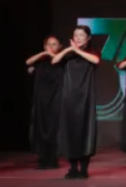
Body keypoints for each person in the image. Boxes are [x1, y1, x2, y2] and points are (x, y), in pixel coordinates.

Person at [53, 25, 101, 179]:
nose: (78, 37)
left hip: (85, 97)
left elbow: (95, 60)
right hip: (69, 97)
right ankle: (73, 168)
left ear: (88, 38)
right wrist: (68, 50)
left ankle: (84, 169)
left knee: (85, 131)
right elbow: (54, 60)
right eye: (76, 35)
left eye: (81, 35)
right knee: (70, 131)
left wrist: (77, 50)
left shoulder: (92, 51)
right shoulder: (68, 54)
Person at [25, 36, 64, 170]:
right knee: (41, 126)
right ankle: (42, 158)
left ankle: (52, 158)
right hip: (41, 98)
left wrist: (53, 55)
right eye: (48, 44)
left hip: (56, 97)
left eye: (54, 44)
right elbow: (28, 62)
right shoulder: (40, 60)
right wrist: (43, 54)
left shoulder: (62, 60)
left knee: (53, 127)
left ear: (60, 46)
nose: (51, 47)